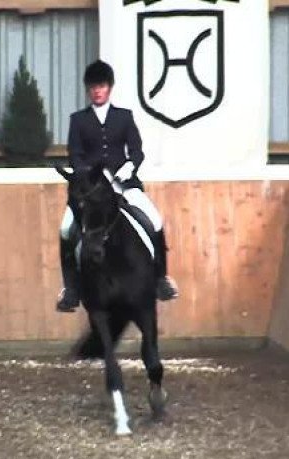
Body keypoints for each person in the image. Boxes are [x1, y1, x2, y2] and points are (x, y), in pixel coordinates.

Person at [56, 59, 178, 312]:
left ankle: (161, 279)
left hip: (123, 185)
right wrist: (88, 176)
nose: (97, 90)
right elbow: (75, 155)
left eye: (101, 86)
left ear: (109, 87)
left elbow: (136, 151)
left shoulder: (124, 117)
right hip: (91, 190)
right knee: (66, 229)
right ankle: (71, 290)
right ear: (88, 90)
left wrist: (126, 169)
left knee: (154, 220)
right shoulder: (78, 120)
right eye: (93, 86)